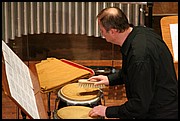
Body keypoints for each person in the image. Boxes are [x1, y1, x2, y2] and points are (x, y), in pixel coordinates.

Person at [88, 7, 178, 119]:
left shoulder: (139, 56)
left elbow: (139, 106)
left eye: (102, 31)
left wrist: (107, 111)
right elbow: (131, 72)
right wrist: (110, 79)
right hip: (156, 103)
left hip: (160, 112)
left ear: (112, 31)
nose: (102, 34)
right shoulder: (140, 32)